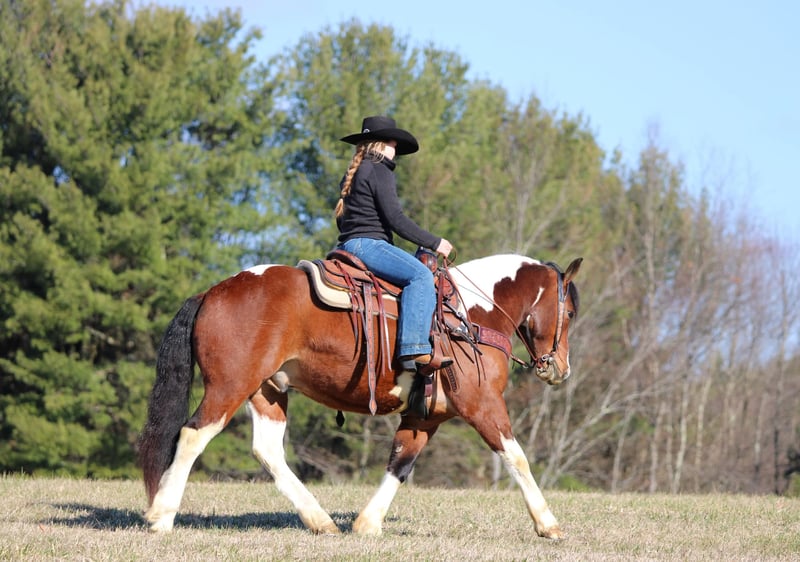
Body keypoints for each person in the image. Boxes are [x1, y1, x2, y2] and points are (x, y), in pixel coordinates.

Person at [335, 115, 453, 384]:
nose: (395, 148)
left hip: (348, 245)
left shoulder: (357, 169)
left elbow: (343, 221)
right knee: (420, 275)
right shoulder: (378, 169)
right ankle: (414, 348)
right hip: (369, 245)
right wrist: (435, 242)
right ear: (381, 143)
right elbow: (395, 219)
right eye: (393, 142)